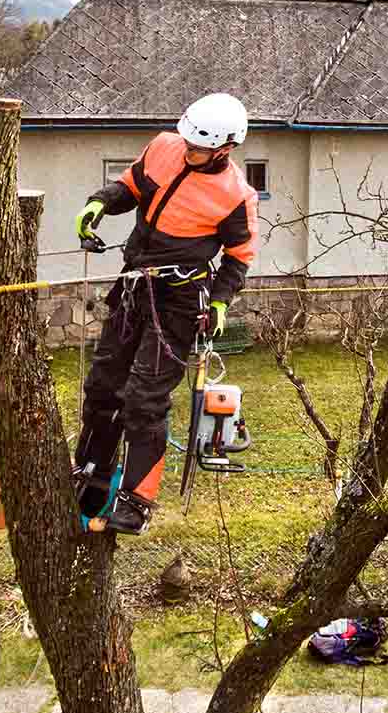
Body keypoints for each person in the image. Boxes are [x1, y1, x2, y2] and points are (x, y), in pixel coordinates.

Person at [72, 92, 257, 534]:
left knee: (144, 399)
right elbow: (131, 187)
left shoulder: (235, 196)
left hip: (179, 300)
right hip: (135, 283)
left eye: (198, 148)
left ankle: (137, 503)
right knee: (102, 386)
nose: (188, 152)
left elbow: (239, 257)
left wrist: (218, 301)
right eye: (187, 142)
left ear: (225, 149)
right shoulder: (164, 146)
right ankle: (91, 473)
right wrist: (100, 202)